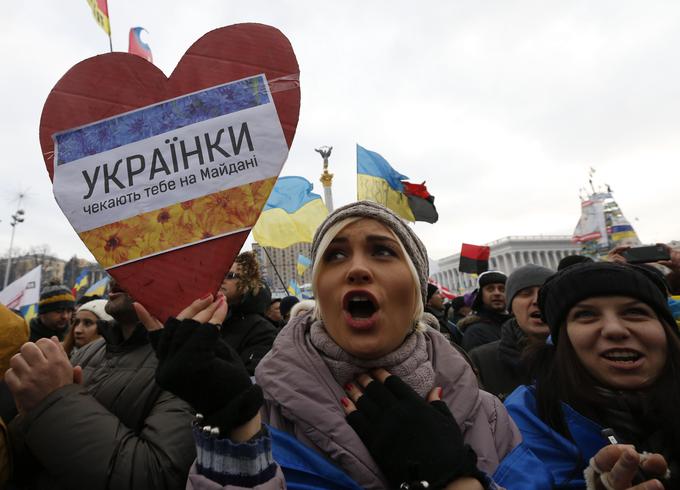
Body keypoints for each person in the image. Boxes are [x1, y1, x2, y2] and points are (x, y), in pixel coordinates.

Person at [138, 201, 521, 489]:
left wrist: (454, 478)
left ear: (418, 291)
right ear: (320, 291)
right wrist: (235, 428)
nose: (356, 268)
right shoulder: (266, 411)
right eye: (335, 255)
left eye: (383, 251)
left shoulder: (487, 414)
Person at [496, 262, 677, 488]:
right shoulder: (529, 411)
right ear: (563, 341)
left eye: (634, 312)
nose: (614, 329)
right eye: (586, 314)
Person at [5, 279, 197, 489]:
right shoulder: (90, 351)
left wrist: (54, 403)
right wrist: (28, 413)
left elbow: (156, 477)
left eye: (134, 260)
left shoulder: (190, 362)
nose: (114, 273)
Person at [469, 264, 553, 401]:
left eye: (546, 293)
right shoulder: (481, 360)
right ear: (511, 307)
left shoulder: (584, 351)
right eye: (526, 293)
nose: (537, 300)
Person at [219, 252, 278, 375]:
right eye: (220, 274)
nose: (222, 280)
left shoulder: (262, 330)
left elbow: (249, 378)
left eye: (230, 275)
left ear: (247, 283)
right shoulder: (213, 317)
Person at [461, 272, 510, 352]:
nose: (497, 293)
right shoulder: (475, 333)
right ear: (481, 295)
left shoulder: (518, 325)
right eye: (490, 289)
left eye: (502, 289)